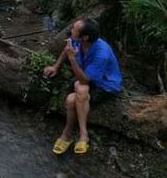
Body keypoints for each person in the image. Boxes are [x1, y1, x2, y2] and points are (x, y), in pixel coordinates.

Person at [43, 18, 123, 155]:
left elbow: (85, 81)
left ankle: (73, 134)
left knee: (79, 91)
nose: (71, 30)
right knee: (72, 98)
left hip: (104, 85)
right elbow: (67, 49)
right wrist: (55, 66)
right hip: (86, 77)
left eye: (74, 29)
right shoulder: (78, 40)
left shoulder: (101, 53)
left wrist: (72, 59)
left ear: (85, 37)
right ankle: (74, 135)